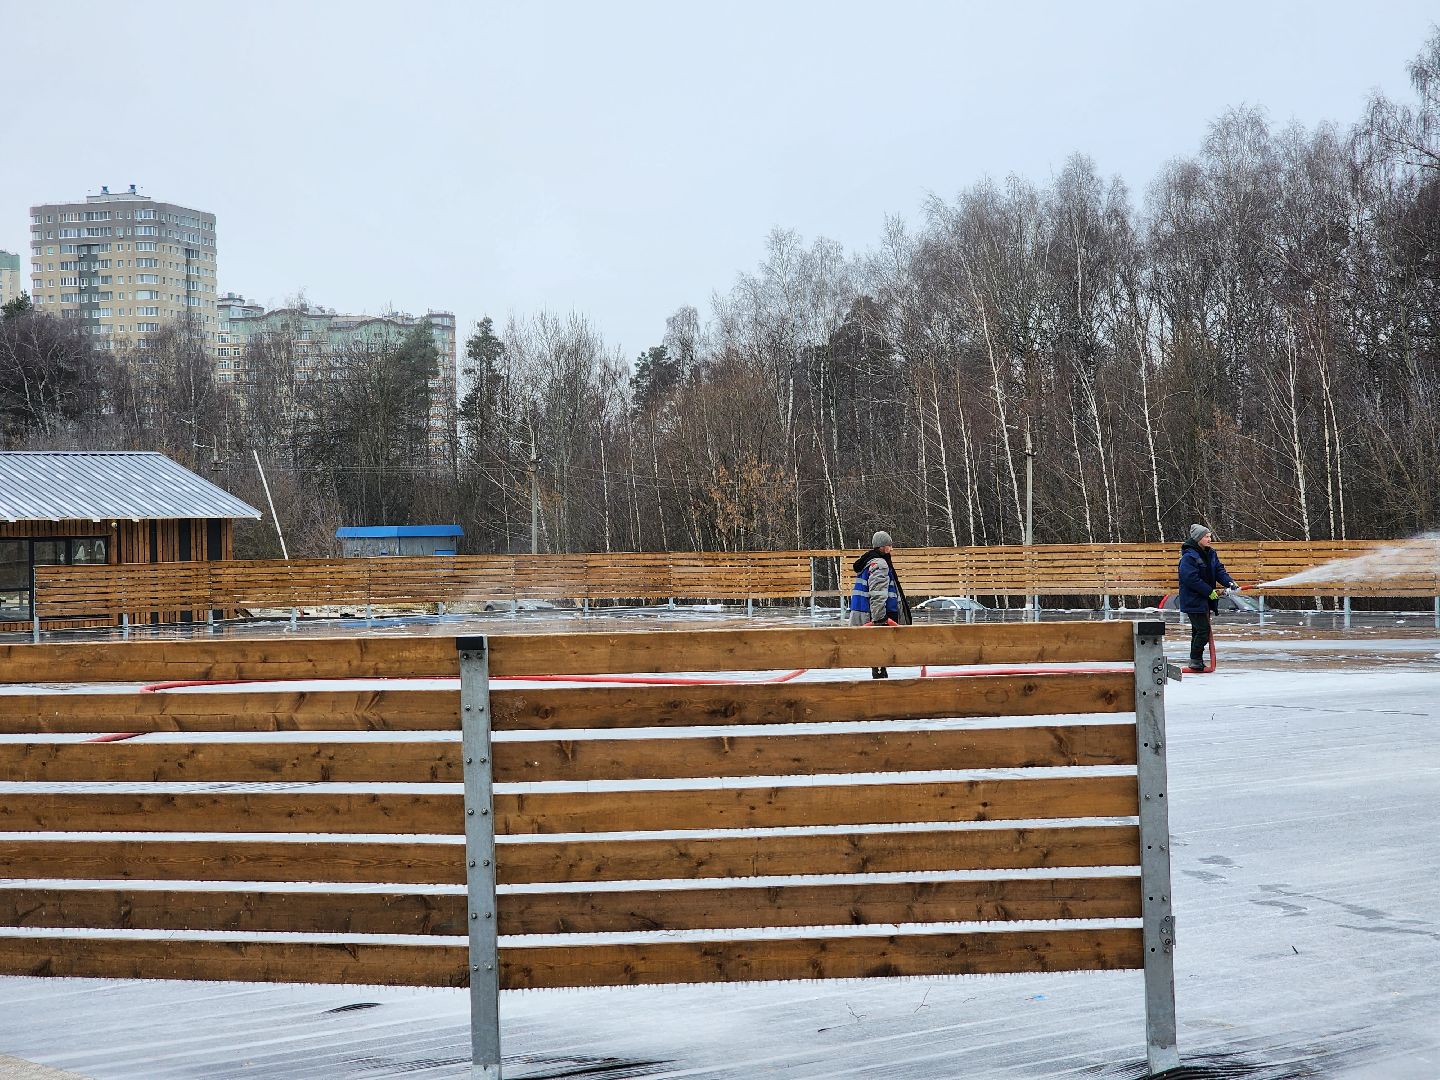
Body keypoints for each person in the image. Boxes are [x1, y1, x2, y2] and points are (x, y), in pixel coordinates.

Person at [848, 530, 912, 679]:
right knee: (880, 653)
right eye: (889, 545)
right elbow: (878, 593)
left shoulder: (868, 562)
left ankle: (879, 678)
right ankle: (880, 685)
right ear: (882, 547)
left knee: (878, 654)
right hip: (877, 617)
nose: (892, 549)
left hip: (867, 613)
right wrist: (880, 618)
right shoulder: (880, 564)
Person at [1177, 523, 1238, 674]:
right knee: (1203, 630)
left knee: (1198, 630)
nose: (1210, 539)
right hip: (1193, 599)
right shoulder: (1189, 557)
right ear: (1198, 538)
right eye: (1206, 536)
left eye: (1210, 536)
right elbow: (1191, 579)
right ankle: (1196, 659)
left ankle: (1195, 660)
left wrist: (1229, 582)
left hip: (1204, 599)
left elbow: (1219, 570)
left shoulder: (1210, 553)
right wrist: (1209, 591)